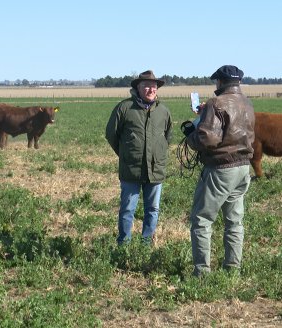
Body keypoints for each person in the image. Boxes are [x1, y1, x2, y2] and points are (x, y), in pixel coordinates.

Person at [183, 65, 255, 277]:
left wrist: (190, 136)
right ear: (238, 82)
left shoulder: (216, 103)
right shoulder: (247, 103)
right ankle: (233, 269)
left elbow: (208, 138)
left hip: (221, 169)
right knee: (234, 221)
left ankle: (202, 272)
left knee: (202, 219)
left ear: (220, 82)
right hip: (243, 168)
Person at [106, 70, 173, 245]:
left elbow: (168, 136)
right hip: (131, 169)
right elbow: (111, 134)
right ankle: (124, 245)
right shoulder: (125, 108)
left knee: (153, 209)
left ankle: (145, 245)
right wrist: (126, 154)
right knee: (128, 209)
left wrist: (158, 154)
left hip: (155, 169)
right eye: (147, 86)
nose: (151, 89)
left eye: (154, 86)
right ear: (138, 87)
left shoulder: (163, 111)